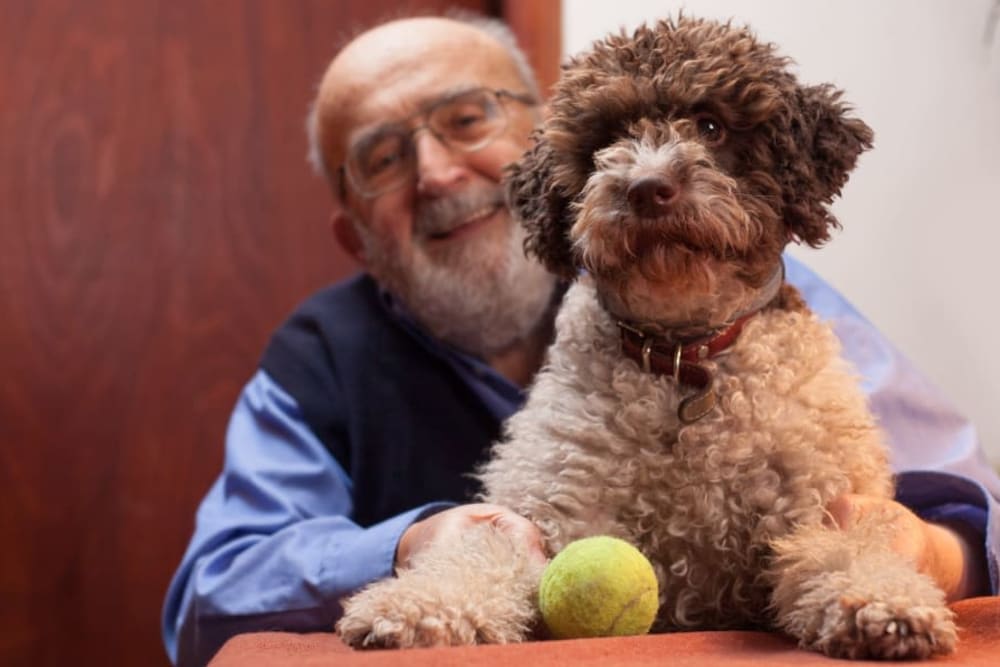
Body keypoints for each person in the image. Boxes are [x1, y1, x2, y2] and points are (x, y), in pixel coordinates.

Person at [161, 13, 1000, 667]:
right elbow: (208, 594)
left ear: (531, 128)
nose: (438, 172)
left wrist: (926, 545)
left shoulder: (773, 294)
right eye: (382, 157)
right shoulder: (315, 361)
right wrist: (415, 546)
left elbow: (980, 511)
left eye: (465, 117)